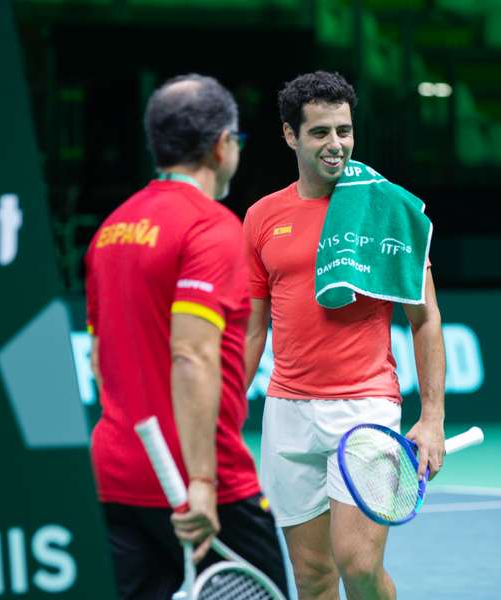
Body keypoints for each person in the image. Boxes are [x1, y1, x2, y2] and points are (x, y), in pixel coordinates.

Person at [243, 70, 446, 600]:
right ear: (290, 135)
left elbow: (424, 318)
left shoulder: (387, 211)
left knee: (358, 566)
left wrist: (432, 418)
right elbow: (252, 328)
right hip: (287, 413)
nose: (336, 145)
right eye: (320, 133)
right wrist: (225, 411)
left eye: (345, 131)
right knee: (312, 579)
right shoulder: (263, 216)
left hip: (364, 410)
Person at [85, 73, 288, 599]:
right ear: (222, 145)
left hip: (118, 475)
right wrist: (200, 482)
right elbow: (192, 355)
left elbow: (99, 357)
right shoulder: (211, 228)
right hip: (203, 482)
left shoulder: (110, 230)